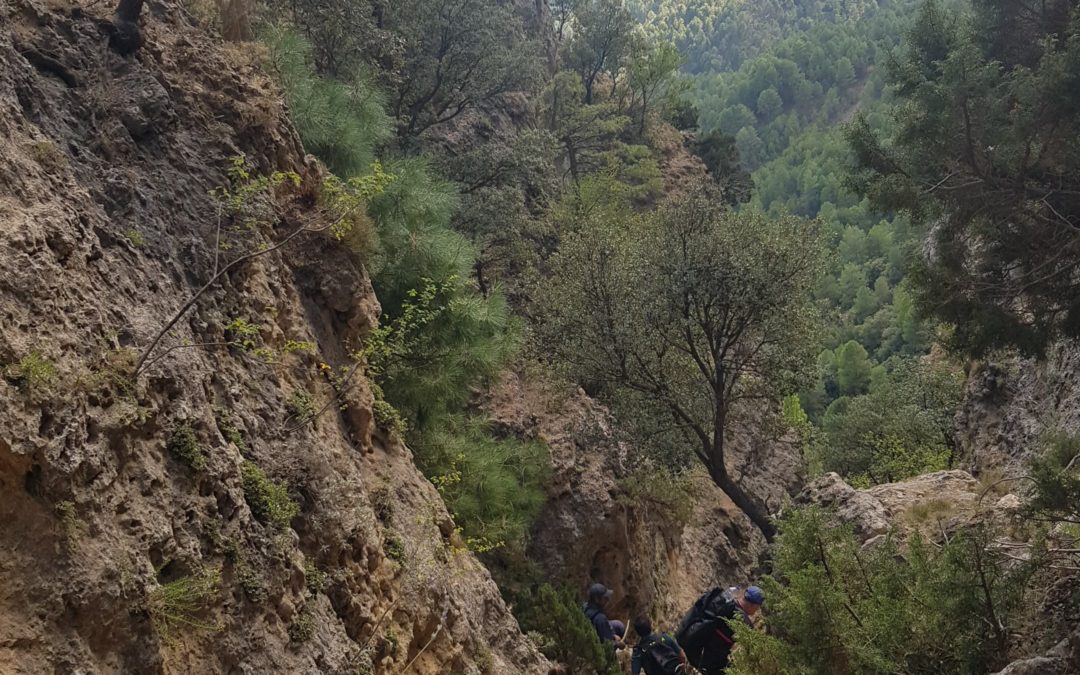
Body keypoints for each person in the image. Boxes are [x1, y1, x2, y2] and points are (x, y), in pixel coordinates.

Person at [676, 585, 764, 674]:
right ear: (752, 605)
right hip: (708, 661)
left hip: (693, 645)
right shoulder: (743, 621)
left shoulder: (724, 603)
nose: (757, 610)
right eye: (757, 607)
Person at [583, 583, 623, 648]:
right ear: (597, 599)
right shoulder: (600, 619)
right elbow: (607, 645)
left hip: (594, 633)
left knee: (617, 625)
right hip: (597, 644)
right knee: (620, 627)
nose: (608, 600)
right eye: (605, 598)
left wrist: (613, 635)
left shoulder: (585, 607)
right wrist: (618, 644)